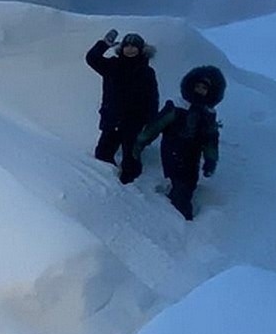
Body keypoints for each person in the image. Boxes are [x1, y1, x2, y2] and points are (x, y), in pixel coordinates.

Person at [133, 65, 226, 221]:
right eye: (198, 86)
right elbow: (156, 126)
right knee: (180, 185)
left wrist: (211, 160)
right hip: (173, 149)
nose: (200, 90)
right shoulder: (177, 107)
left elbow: (210, 139)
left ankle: (177, 212)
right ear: (190, 85)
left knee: (189, 183)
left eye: (205, 88)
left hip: (192, 155)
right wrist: (139, 143)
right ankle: (179, 218)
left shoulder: (208, 114)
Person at [85, 29, 159, 184]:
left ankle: (129, 192)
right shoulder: (112, 65)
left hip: (134, 122)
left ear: (141, 49)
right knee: (102, 155)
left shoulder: (147, 72)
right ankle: (106, 186)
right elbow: (91, 58)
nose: (130, 49)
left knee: (131, 159)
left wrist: (151, 123)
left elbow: (152, 99)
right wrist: (104, 44)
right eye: (127, 46)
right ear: (122, 48)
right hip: (112, 119)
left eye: (134, 46)